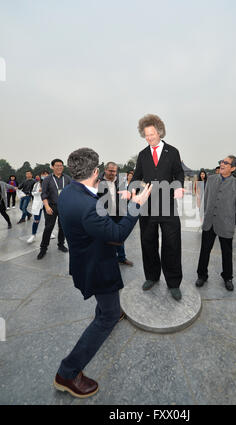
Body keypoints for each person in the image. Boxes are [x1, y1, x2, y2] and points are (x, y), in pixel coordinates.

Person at [53, 147, 152, 399]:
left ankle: (108, 310)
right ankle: (67, 372)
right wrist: (136, 205)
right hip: (96, 267)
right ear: (96, 171)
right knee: (107, 317)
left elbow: (96, 223)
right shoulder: (87, 205)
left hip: (85, 260)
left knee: (107, 307)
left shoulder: (69, 192)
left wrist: (121, 202)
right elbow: (117, 236)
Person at [130, 114, 184, 301]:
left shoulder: (173, 152)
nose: (149, 138)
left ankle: (174, 283)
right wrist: (132, 191)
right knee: (148, 242)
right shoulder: (143, 155)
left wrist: (178, 187)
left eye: (152, 134)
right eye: (146, 135)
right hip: (147, 207)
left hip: (167, 205)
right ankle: (151, 276)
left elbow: (179, 173)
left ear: (159, 132)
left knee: (172, 244)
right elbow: (137, 177)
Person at [195, 155, 236, 292]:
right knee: (204, 250)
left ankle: (227, 277)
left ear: (233, 168)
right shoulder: (211, 180)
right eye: (222, 162)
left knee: (227, 253)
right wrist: (204, 216)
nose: (222, 164)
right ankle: (202, 275)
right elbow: (205, 201)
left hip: (226, 224)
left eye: (226, 163)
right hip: (209, 223)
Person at [98, 162, 133, 266]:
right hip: (105, 214)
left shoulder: (121, 181)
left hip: (119, 213)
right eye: (110, 171)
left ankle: (121, 257)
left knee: (119, 237)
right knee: (105, 237)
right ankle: (106, 259)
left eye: (114, 171)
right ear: (105, 170)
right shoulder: (98, 181)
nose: (112, 173)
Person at [37, 159, 72, 259]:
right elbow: (43, 194)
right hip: (51, 206)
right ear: (52, 167)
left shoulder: (67, 178)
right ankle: (43, 249)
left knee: (63, 227)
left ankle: (61, 244)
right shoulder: (47, 179)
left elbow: (72, 191)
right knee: (48, 227)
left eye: (61, 165)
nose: (59, 167)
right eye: (57, 165)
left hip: (64, 207)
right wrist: (46, 206)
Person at [26, 170, 54, 243]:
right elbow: (32, 193)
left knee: (48, 220)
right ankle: (33, 235)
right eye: (43, 174)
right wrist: (39, 191)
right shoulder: (37, 184)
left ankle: (49, 233)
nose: (44, 176)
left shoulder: (52, 184)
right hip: (38, 204)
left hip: (47, 204)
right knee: (36, 220)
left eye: (46, 174)